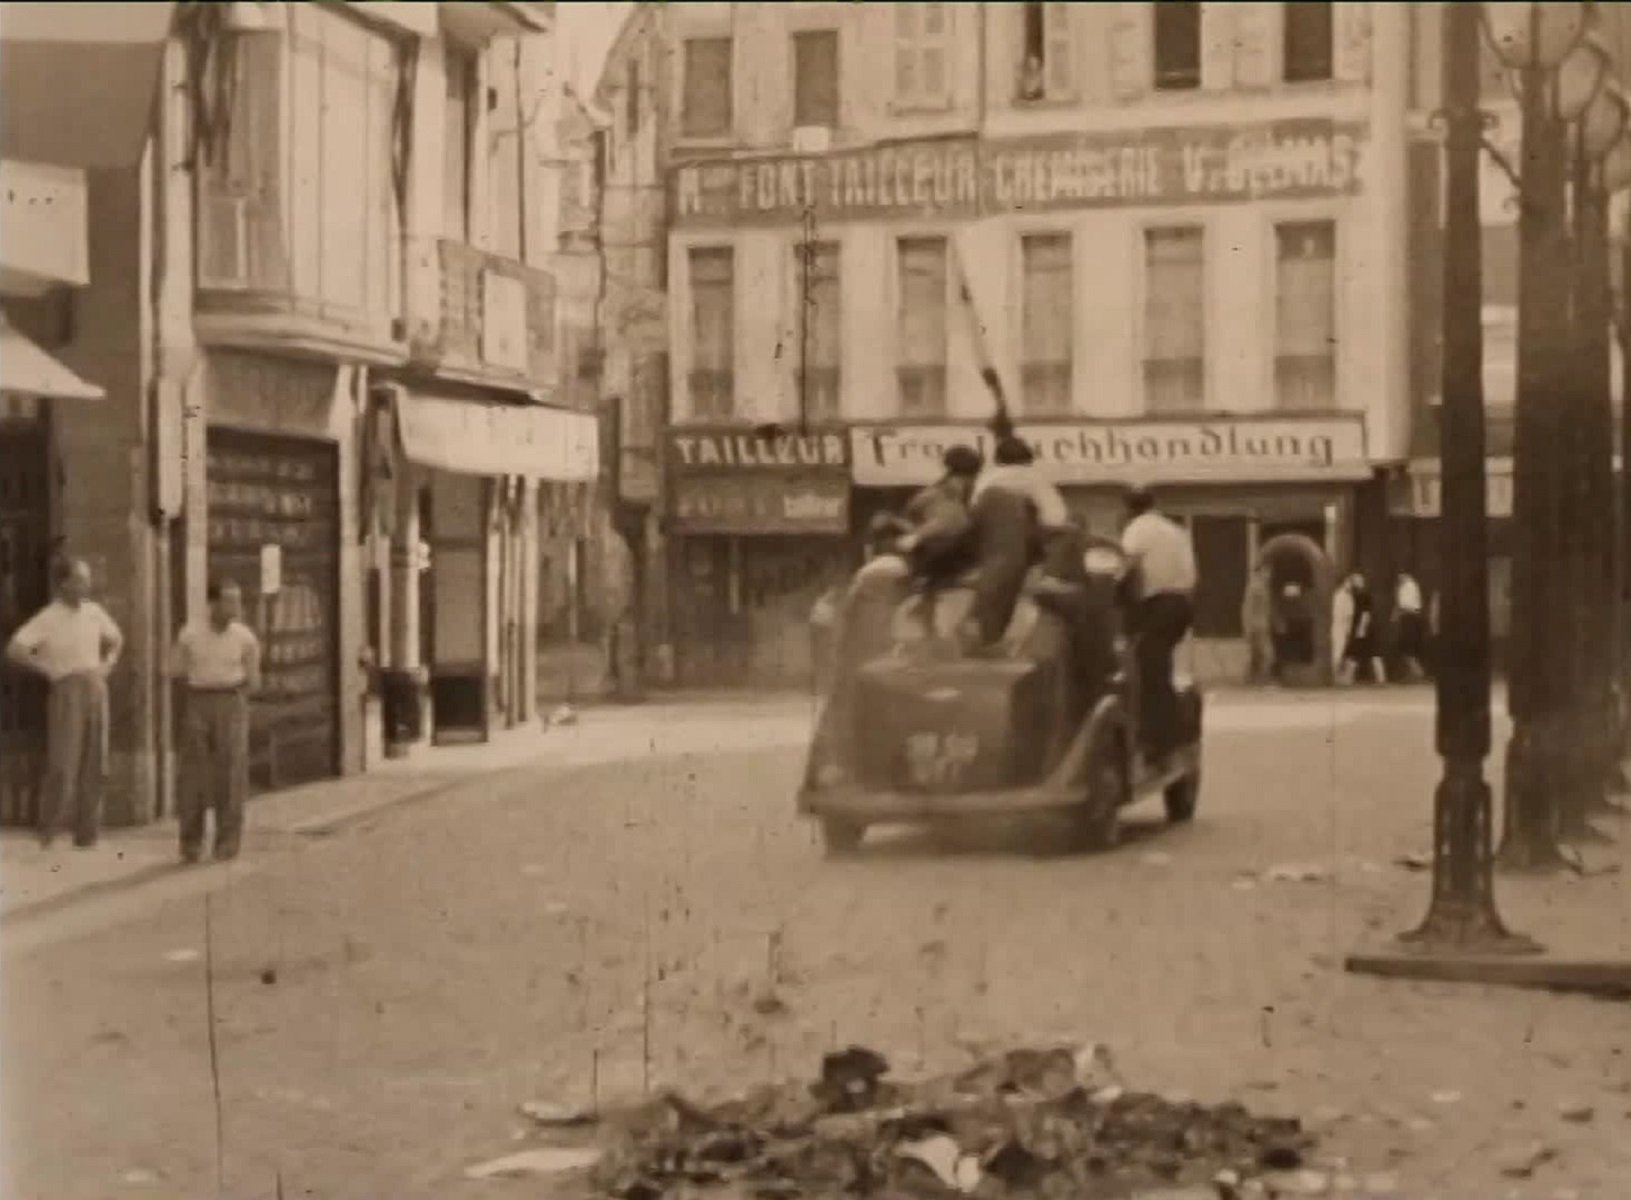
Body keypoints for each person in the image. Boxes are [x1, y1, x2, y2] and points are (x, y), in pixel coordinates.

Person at [5, 558, 122, 848]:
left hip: (95, 684)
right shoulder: (49, 617)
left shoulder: (94, 612)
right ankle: (50, 830)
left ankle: (87, 833)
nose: (86, 585)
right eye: (80, 580)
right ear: (63, 584)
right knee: (64, 762)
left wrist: (108, 664)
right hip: (66, 687)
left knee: (97, 761)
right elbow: (15, 648)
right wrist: (45, 668)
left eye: (87, 579)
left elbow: (117, 639)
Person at [169, 579, 261, 863]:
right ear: (213, 603)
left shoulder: (245, 638)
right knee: (193, 774)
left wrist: (236, 698)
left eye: (237, 601)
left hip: (231, 701)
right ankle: (191, 842)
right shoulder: (190, 634)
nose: (235, 607)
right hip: (198, 700)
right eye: (229, 601)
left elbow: (254, 680)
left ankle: (227, 842)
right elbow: (175, 670)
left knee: (231, 773)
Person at [1118, 485, 1197, 764]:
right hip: (1181, 603)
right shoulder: (1174, 530)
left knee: (1148, 666)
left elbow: (1124, 567)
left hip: (1159, 603)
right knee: (1159, 665)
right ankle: (1165, 732)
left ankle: (1159, 738)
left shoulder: (1138, 529)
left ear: (1129, 508)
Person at [1337, 572, 1383, 685]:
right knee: (1369, 652)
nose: (1354, 582)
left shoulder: (1363, 595)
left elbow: (1365, 614)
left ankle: (1347, 678)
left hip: (1362, 628)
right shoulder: (1357, 595)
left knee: (1354, 652)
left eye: (1355, 580)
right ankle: (1380, 678)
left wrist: (1361, 628)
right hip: (1362, 627)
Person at [1392, 570, 1428, 681]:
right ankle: (1413, 673)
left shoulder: (1408, 586)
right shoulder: (1409, 585)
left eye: (1400, 576)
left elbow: (1405, 605)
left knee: (1407, 647)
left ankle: (1418, 672)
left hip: (1410, 618)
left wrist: (1397, 614)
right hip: (1409, 617)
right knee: (1406, 647)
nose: (1399, 578)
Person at [1241, 566, 1274, 684]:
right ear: (1260, 572)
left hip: (1261, 626)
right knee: (1267, 654)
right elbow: (1248, 609)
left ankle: (1253, 679)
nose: (1269, 575)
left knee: (1257, 656)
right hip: (1257, 626)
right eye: (1267, 572)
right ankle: (1259, 679)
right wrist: (1248, 628)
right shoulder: (1256, 588)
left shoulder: (1263, 588)